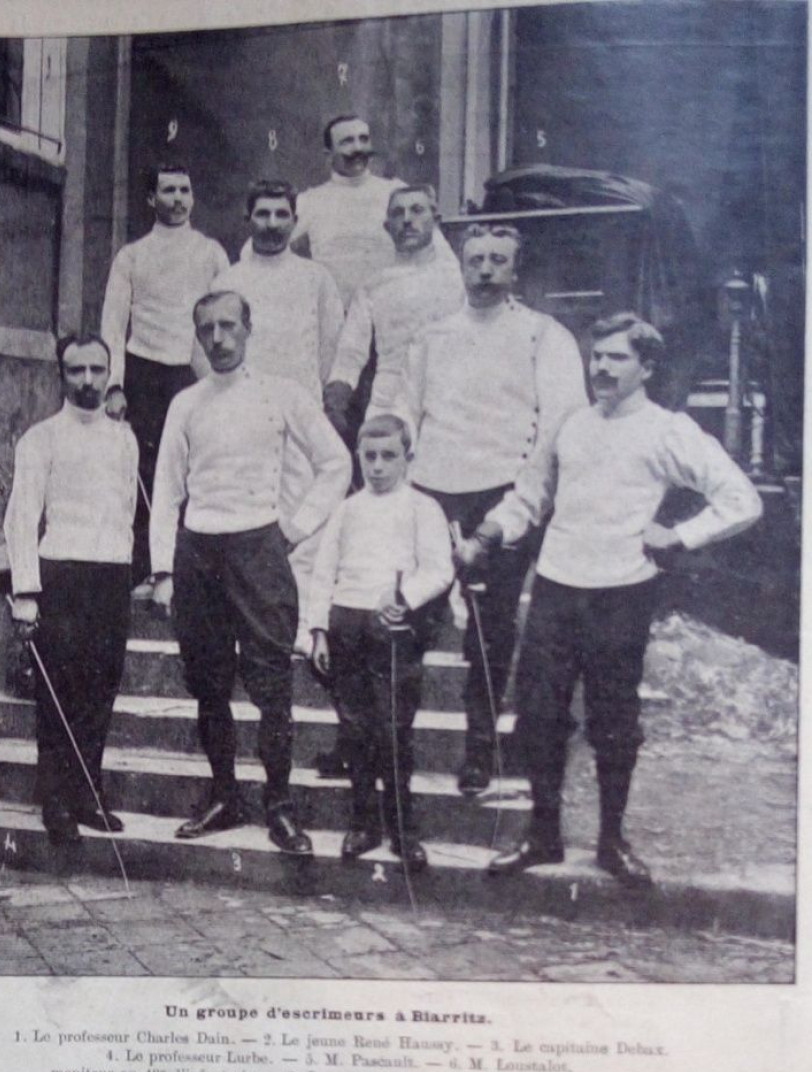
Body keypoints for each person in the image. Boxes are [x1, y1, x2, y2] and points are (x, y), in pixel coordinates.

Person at [459, 313, 762, 883]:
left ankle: (610, 841)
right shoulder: (569, 424)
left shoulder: (667, 430)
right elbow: (529, 498)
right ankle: (542, 836)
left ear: (647, 366)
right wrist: (485, 536)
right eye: (596, 356)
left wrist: (679, 535)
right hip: (555, 586)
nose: (601, 366)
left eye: (616, 357)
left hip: (622, 592)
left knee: (614, 721)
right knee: (540, 716)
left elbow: (741, 499)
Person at [150, 291, 352, 855]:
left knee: (271, 686)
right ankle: (223, 795)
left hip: (261, 549)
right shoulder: (185, 404)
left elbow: (337, 463)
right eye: (207, 329)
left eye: (228, 326)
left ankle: (280, 806)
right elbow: (167, 489)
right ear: (197, 335)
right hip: (198, 554)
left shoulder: (281, 395)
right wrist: (163, 570)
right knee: (209, 684)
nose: (218, 338)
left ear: (248, 329)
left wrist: (293, 529)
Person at [400, 222, 588, 797]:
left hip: (501, 496)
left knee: (489, 634)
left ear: (514, 269)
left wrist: (506, 519)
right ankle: (386, 750)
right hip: (433, 493)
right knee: (406, 624)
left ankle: (479, 754)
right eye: (475, 258)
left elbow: (559, 432)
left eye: (497, 260)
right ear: (460, 264)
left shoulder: (543, 336)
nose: (484, 269)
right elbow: (406, 415)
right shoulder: (431, 338)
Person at [3, 335, 139, 845]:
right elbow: (22, 517)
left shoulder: (124, 439)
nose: (87, 381)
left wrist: (124, 568)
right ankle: (54, 800)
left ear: (109, 374)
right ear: (61, 375)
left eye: (96, 370)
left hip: (111, 576)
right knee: (58, 691)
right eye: (76, 370)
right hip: (61, 573)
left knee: (100, 690)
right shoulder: (40, 439)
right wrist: (26, 591)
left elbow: (125, 511)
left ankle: (89, 793)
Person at [306, 415, 453, 872]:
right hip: (346, 625)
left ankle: (403, 829)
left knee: (393, 730)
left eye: (389, 456)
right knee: (356, 731)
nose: (378, 466)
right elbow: (323, 572)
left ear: (408, 458)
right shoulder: (347, 510)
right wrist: (318, 631)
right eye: (369, 456)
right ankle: (363, 822)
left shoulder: (422, 508)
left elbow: (438, 568)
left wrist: (405, 596)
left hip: (391, 630)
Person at [212, 179, 345, 651]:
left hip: (301, 409)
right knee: (244, 514)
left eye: (281, 215)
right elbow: (209, 345)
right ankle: (247, 624)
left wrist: (310, 399)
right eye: (262, 214)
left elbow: (330, 345)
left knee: (303, 521)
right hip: (244, 410)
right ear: (249, 219)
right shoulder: (229, 278)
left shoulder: (316, 278)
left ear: (294, 219)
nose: (271, 224)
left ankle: (305, 625)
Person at [100, 164, 230, 590]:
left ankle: (191, 567)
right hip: (144, 372)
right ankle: (147, 565)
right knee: (148, 467)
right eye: (168, 190)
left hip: (193, 372)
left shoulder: (211, 253)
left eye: (184, 190)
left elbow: (223, 317)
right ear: (151, 199)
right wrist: (114, 385)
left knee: (198, 465)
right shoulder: (132, 255)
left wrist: (219, 378)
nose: (177, 198)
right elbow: (114, 325)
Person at [322, 184, 465, 444]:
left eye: (417, 211)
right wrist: (338, 396)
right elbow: (350, 352)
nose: (407, 220)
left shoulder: (460, 280)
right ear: (387, 226)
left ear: (436, 220)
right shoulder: (373, 285)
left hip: (450, 397)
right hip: (389, 401)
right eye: (398, 213)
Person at [293, 115, 454, 305]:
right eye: (347, 142)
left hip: (392, 311)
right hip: (337, 316)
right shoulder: (310, 201)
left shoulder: (396, 192)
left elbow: (441, 254)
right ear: (328, 154)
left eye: (363, 139)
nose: (358, 148)